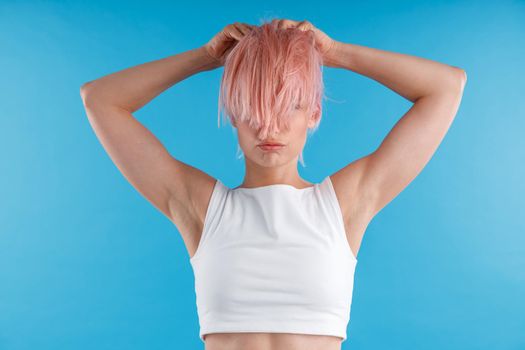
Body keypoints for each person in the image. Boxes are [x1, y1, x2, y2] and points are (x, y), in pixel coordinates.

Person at [80, 18, 466, 350]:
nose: (269, 127)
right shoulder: (202, 208)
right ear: (234, 114)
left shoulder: (343, 205)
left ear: (313, 113)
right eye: (255, 109)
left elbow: (446, 86)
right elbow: (99, 98)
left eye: (288, 108)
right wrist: (207, 57)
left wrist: (335, 53)